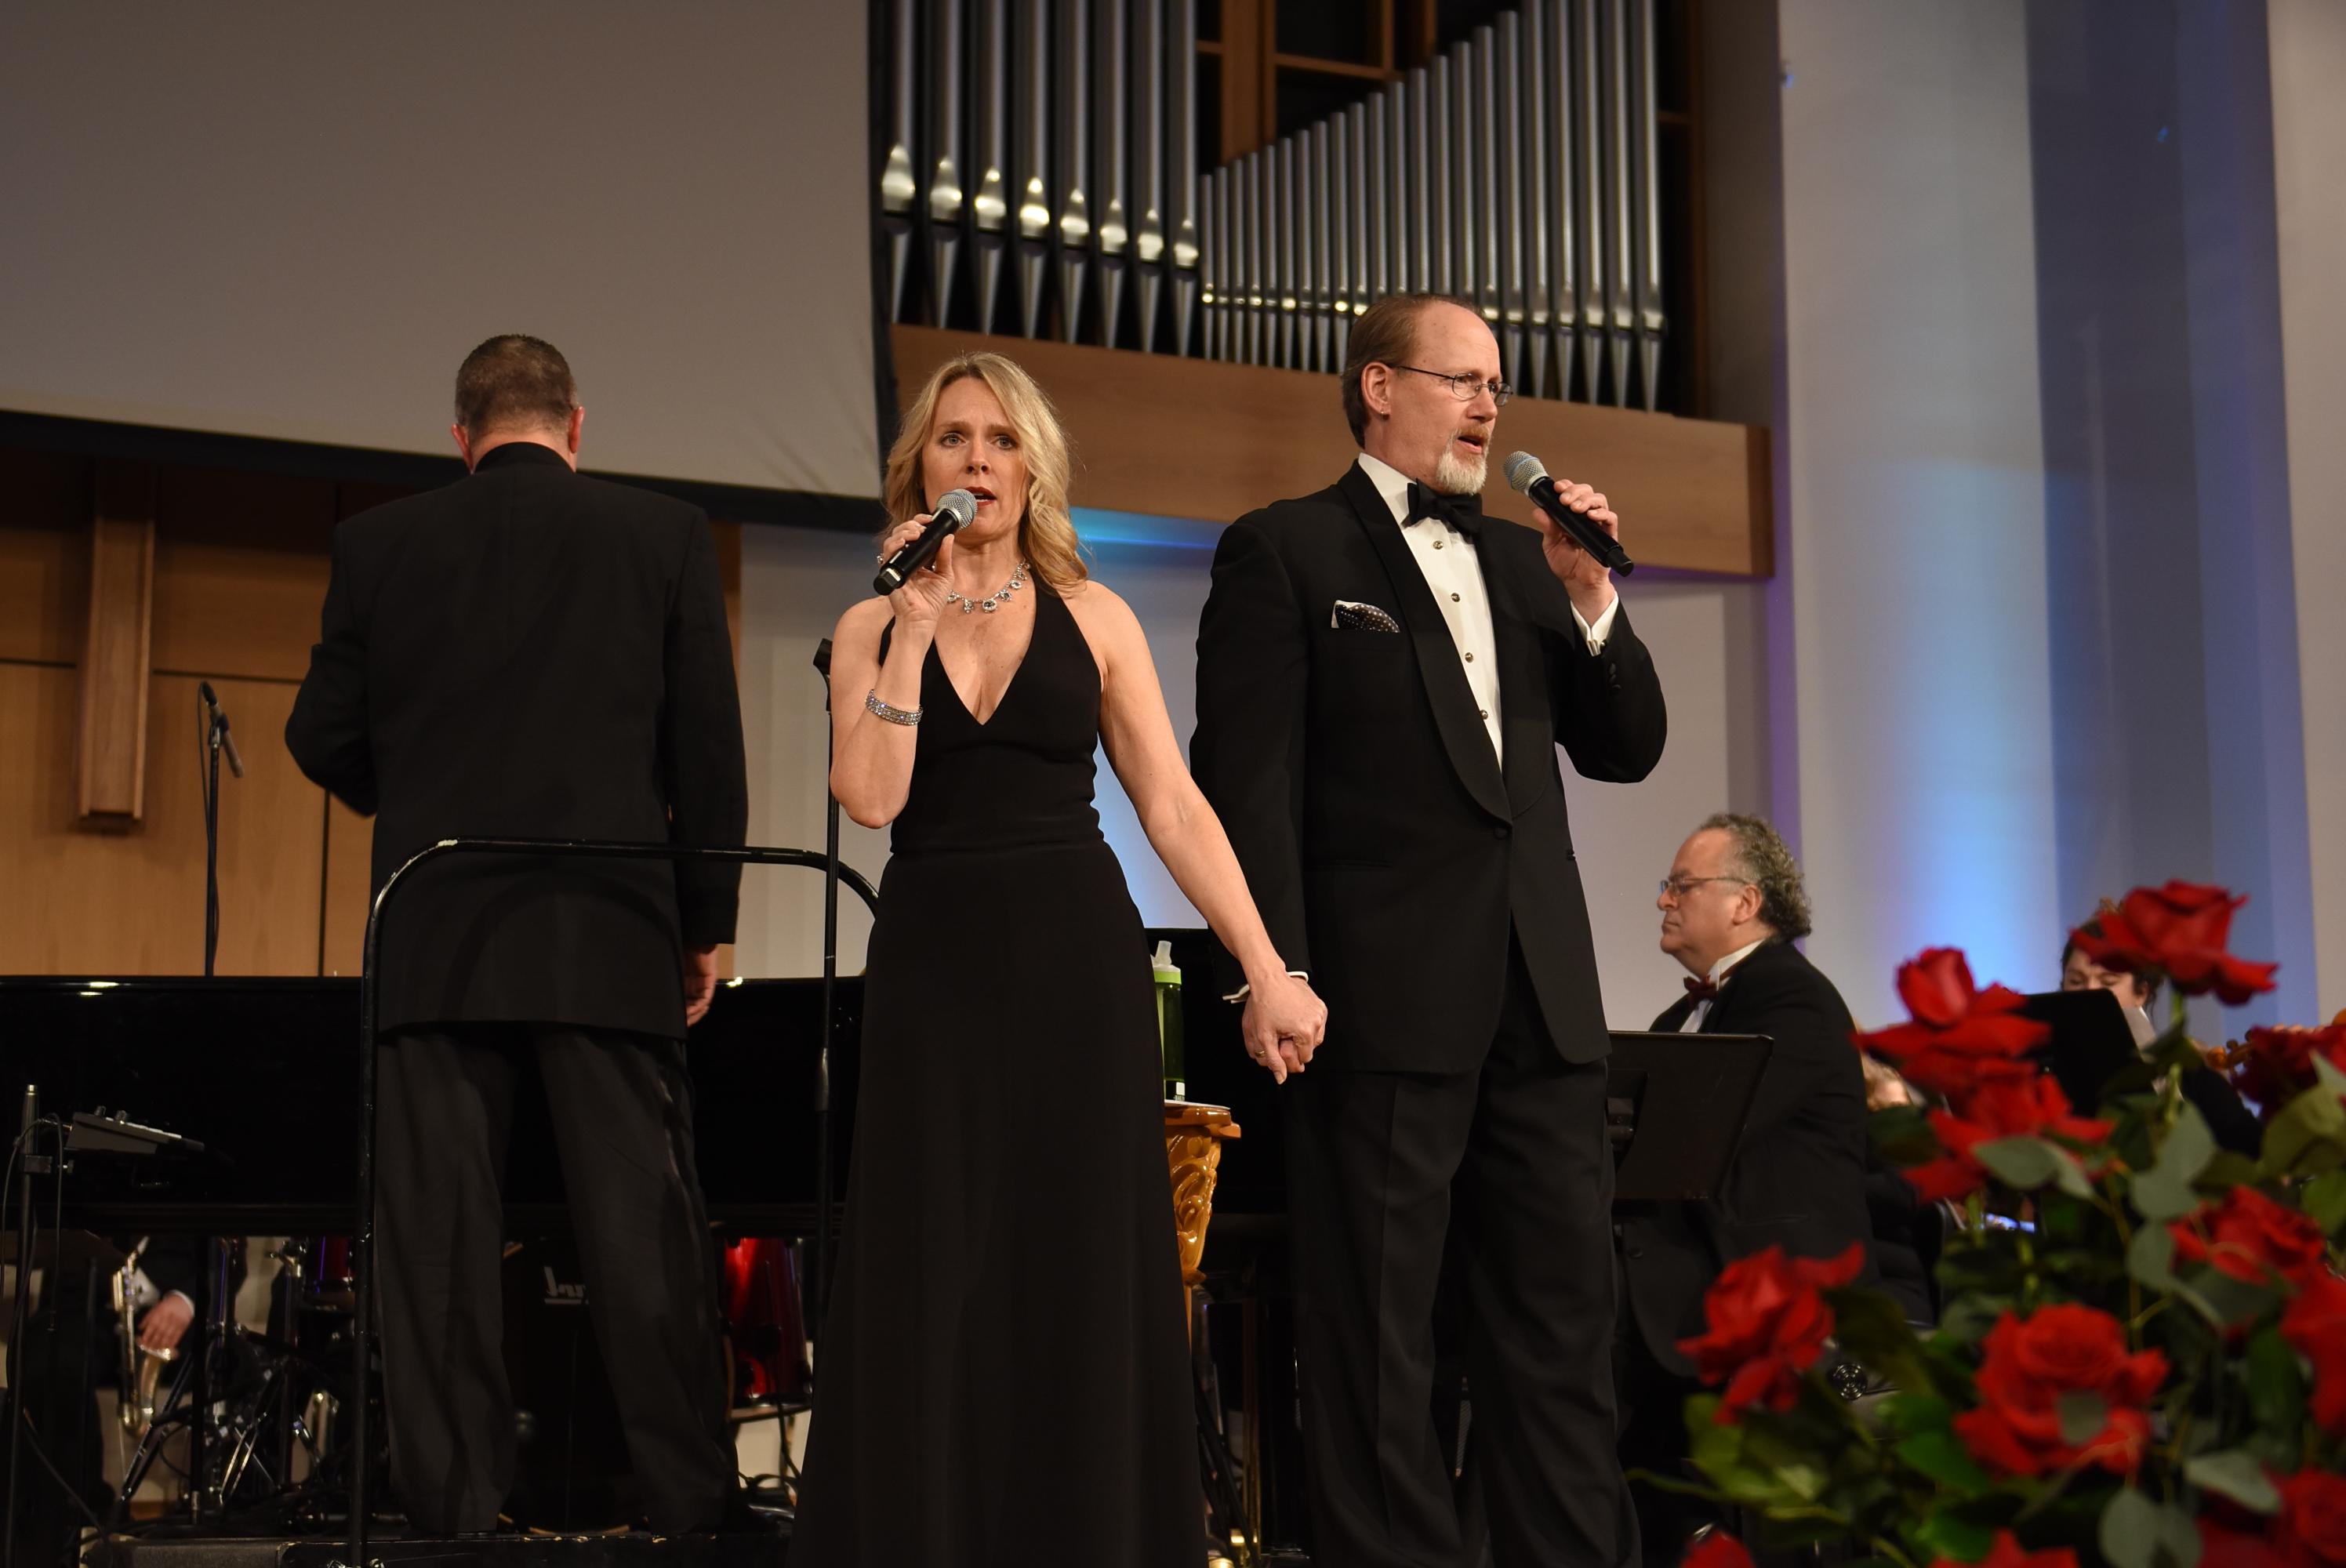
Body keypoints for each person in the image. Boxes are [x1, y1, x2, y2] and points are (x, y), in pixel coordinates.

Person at [791, 350, 1326, 1567]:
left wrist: (1266, 966)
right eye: (951, 439)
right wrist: (914, 631)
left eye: (999, 440)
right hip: (931, 955)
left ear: (1034, 471)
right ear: (917, 468)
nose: (975, 458)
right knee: (937, 1258)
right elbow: (869, 801)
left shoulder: (1097, 616)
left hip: (1075, 958)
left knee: (1079, 1253)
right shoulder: (873, 618)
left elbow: (1174, 807)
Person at [1191, 292, 1668, 1568]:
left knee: (1565, 1335)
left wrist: (1590, 599)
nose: (1483, 405)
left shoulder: (1526, 564)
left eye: (1495, 386)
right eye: (1457, 379)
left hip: (1542, 1005)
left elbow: (1624, 749)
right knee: (1378, 1343)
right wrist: (1271, 964)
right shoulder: (1284, 551)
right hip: (1383, 1005)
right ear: (1376, 387)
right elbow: (1247, 785)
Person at [285, 335, 747, 1537]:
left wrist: (427, 783)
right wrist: (707, 925)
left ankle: (454, 1515)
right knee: (646, 1243)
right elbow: (707, 748)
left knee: (435, 1257)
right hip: (611, 935)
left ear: (461, 435)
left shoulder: (378, 544)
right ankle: (690, 1508)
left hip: (436, 936)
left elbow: (318, 738)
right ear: (577, 425)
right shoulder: (660, 537)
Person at [1618, 814, 1876, 1563]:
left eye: (1681, 886)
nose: (1664, 901)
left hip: (1787, 1296)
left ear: (1744, 902)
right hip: (1705, 1286)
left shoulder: (1789, 998)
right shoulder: (1682, 1015)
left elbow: (1692, 1140)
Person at [2059, 919, 2261, 1154]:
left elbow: (2255, 1152)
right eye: (2076, 981)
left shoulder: (2189, 1074)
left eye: (2107, 982)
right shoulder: (2043, 1072)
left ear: (2141, 993)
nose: (2089, 992)